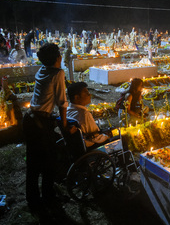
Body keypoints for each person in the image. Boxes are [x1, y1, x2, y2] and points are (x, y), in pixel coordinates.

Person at [23, 43, 75, 210]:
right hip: (40, 122)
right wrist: (64, 125)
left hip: (30, 118)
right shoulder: (58, 73)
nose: (61, 57)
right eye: (59, 55)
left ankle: (32, 199)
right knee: (48, 161)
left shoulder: (42, 70)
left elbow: (44, 98)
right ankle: (49, 198)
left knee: (33, 162)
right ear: (57, 58)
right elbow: (62, 102)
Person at [66, 82, 109, 148]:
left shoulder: (68, 111)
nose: (89, 94)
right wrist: (108, 136)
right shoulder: (84, 114)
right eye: (86, 92)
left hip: (77, 145)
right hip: (91, 146)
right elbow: (96, 137)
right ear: (76, 97)